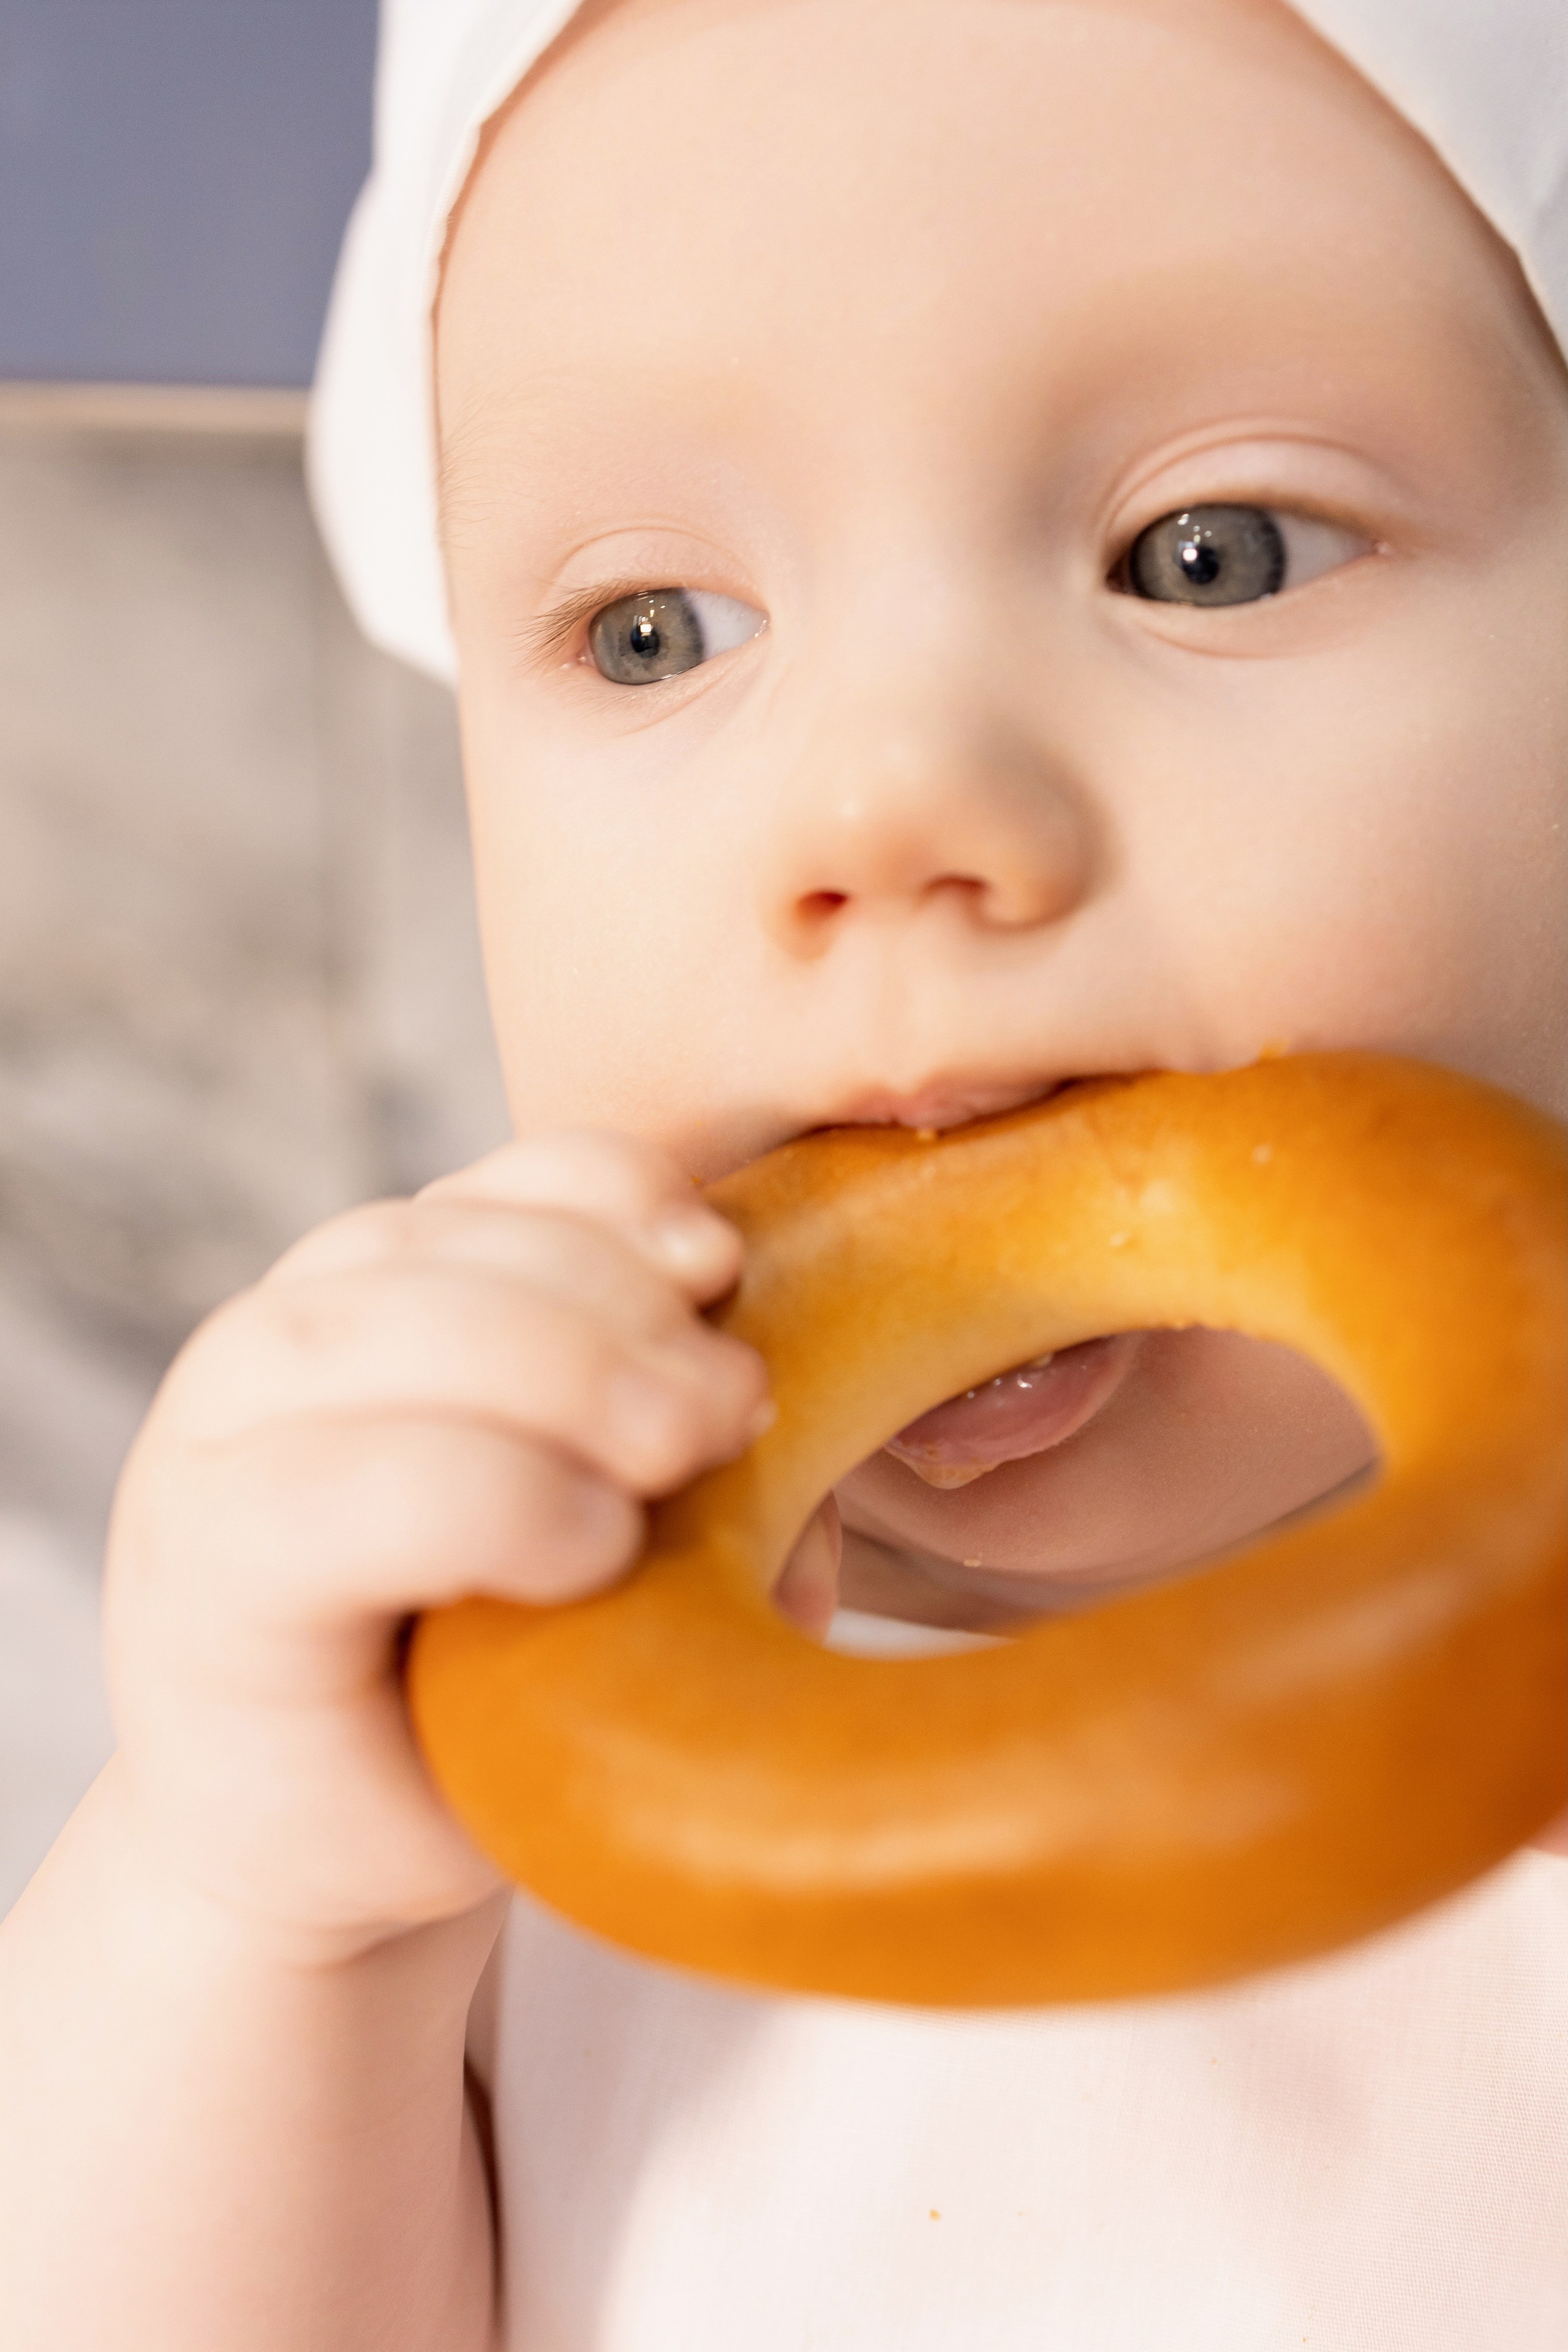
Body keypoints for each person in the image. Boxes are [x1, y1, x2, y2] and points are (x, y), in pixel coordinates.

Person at [1, 0, 1562, 2343]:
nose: (884, 807)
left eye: (1208, 552)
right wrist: (254, 1910)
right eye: (655, 631)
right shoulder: (459, 1785)